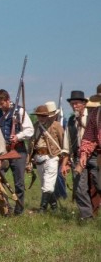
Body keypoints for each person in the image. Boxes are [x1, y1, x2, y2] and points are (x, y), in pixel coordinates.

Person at [0, 89, 34, 215]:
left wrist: (18, 136)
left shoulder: (19, 111)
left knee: (19, 182)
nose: (1, 106)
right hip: (4, 151)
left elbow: (29, 130)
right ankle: (6, 207)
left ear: (8, 100)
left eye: (2, 103)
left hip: (18, 151)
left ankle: (19, 210)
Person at [61, 90, 97, 220]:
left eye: (76, 103)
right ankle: (87, 217)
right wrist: (64, 163)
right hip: (77, 157)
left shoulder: (92, 116)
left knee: (99, 184)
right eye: (72, 104)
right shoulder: (71, 120)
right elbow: (67, 143)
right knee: (80, 188)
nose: (74, 106)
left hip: (94, 155)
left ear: (84, 104)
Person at [29, 102, 65, 212]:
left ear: (47, 115)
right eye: (39, 115)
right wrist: (29, 160)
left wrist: (65, 158)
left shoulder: (56, 125)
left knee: (48, 184)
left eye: (43, 115)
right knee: (45, 184)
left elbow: (63, 140)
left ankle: (42, 208)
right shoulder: (35, 126)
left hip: (52, 157)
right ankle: (54, 207)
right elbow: (31, 144)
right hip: (39, 158)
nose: (41, 118)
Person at [78, 84, 101, 214]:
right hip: (99, 155)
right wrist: (84, 154)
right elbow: (89, 137)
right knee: (99, 184)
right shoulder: (96, 114)